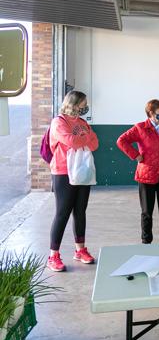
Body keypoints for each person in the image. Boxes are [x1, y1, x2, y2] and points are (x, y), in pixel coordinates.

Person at [47, 90, 99, 272]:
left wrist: (82, 139)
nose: (85, 107)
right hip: (63, 171)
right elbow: (71, 141)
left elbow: (95, 144)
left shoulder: (83, 123)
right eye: (83, 103)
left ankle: (80, 250)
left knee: (80, 211)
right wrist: (85, 138)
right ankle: (53, 255)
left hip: (82, 171)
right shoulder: (59, 122)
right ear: (74, 104)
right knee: (62, 213)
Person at [117, 99, 159, 244]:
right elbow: (121, 141)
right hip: (147, 176)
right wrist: (136, 155)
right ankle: (146, 241)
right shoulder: (140, 127)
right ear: (151, 113)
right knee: (147, 212)